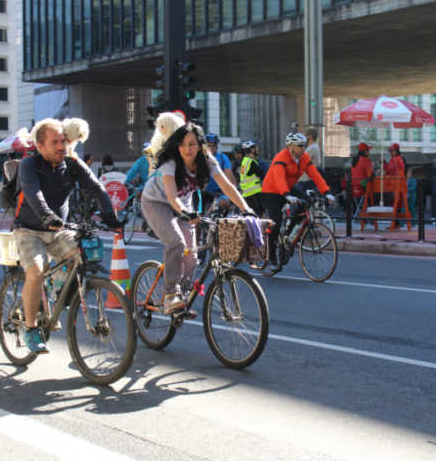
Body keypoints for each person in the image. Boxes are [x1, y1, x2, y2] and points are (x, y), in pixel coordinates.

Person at [13, 118, 123, 354]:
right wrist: (47, 217)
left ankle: (55, 287)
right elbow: (34, 194)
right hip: (29, 228)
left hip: (58, 229)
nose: (61, 146)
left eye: (63, 141)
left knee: (83, 255)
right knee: (35, 270)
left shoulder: (72, 164)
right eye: (54, 143)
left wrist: (110, 216)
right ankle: (31, 329)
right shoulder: (29, 165)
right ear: (40, 146)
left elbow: (97, 189)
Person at [141, 123, 255, 314]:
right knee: (176, 243)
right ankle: (170, 295)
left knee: (192, 256)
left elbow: (227, 186)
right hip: (156, 202)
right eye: (183, 144)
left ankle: (182, 299)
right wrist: (185, 212)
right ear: (177, 145)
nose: (188, 149)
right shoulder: (171, 162)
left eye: (192, 144)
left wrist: (247, 209)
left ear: (201, 145)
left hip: (185, 206)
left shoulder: (207, 161)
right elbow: (171, 196)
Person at [261, 132, 334, 276]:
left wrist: (327, 192)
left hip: (288, 187)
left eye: (304, 145)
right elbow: (279, 177)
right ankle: (272, 258)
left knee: (305, 204)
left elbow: (316, 175)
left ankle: (288, 236)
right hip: (272, 190)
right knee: (276, 220)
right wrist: (287, 195)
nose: (303, 148)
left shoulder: (304, 158)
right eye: (300, 146)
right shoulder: (282, 157)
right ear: (291, 147)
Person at [204, 133, 236, 211]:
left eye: (213, 145)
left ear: (217, 146)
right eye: (209, 145)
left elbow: (229, 175)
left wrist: (234, 193)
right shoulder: (200, 158)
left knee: (224, 202)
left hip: (220, 193)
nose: (211, 148)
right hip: (203, 193)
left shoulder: (223, 158)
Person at [238, 140, 266, 214]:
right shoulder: (251, 162)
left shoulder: (245, 161)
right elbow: (263, 174)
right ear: (252, 150)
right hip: (255, 193)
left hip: (247, 193)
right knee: (259, 215)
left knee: (252, 215)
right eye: (256, 148)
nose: (257, 150)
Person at [350, 142, 374, 213]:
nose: (369, 152)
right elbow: (370, 175)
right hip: (363, 187)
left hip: (354, 187)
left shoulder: (354, 160)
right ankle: (372, 215)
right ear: (364, 151)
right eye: (368, 150)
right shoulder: (366, 160)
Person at [297, 127, 322, 193]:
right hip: (305, 179)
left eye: (306, 135)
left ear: (310, 136)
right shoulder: (312, 147)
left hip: (305, 180)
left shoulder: (312, 148)